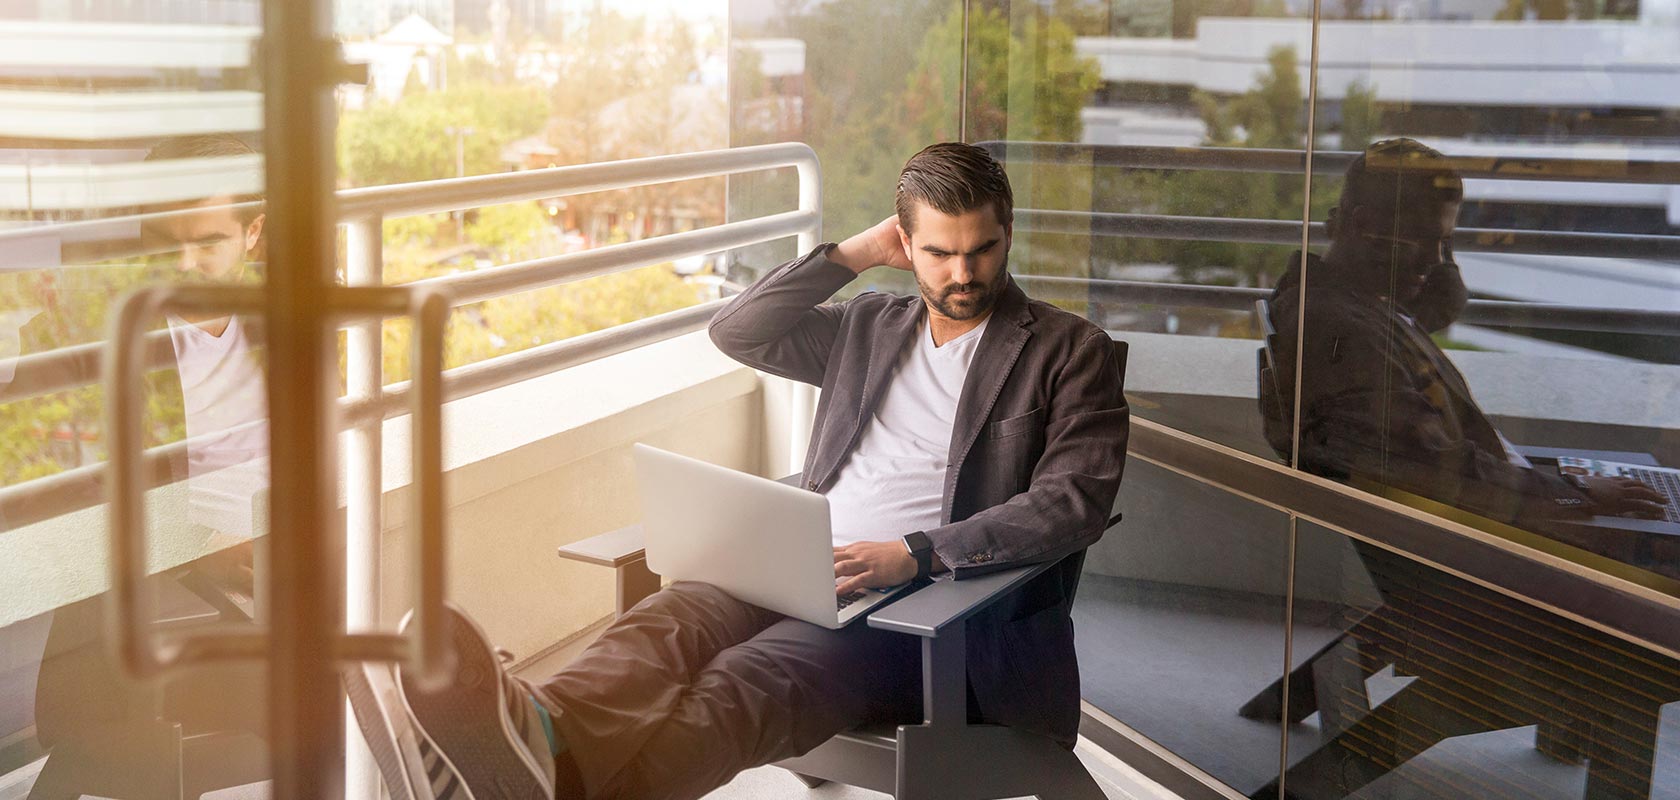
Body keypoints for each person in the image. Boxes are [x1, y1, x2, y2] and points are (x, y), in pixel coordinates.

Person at [394, 142, 1130, 799]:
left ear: (1008, 237)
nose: (963, 273)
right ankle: (539, 735)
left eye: (983, 249)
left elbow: (1071, 503)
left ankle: (549, 776)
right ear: (906, 242)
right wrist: (853, 253)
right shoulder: (871, 326)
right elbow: (737, 329)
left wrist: (912, 555)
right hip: (800, 567)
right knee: (665, 624)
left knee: (746, 683)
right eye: (938, 252)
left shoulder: (1068, 352)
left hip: (926, 615)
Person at [1259, 137, 1665, 527]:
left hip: (1509, 486)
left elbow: (1445, 301)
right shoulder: (1343, 332)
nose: (1435, 260)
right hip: (1508, 522)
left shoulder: (1351, 299)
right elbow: (1433, 467)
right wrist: (1573, 493)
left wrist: (1567, 485)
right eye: (1421, 238)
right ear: (1363, 224)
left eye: (1444, 243)